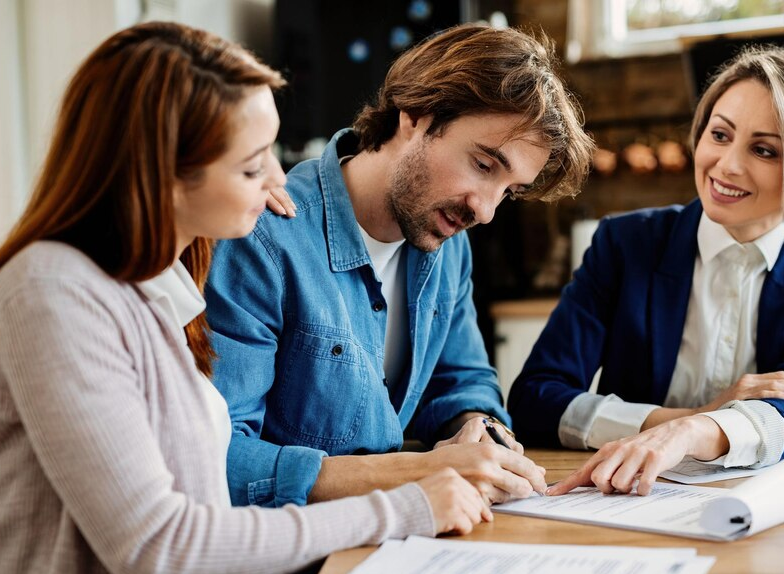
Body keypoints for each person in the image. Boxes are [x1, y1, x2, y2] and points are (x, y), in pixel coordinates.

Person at [0, 22, 490, 574]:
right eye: (253, 162)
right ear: (163, 170)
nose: (278, 179)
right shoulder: (51, 294)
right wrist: (401, 508)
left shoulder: (158, 283)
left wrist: (240, 192)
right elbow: (159, 549)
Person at [205, 24, 594, 511]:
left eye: (508, 192)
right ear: (415, 115)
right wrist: (415, 471)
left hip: (400, 539)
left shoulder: (447, 242)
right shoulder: (263, 238)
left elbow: (462, 381)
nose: (486, 210)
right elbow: (219, 461)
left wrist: (478, 428)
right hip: (295, 567)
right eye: (483, 165)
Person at [509, 45, 784, 497]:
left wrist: (693, 433)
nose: (726, 165)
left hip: (754, 510)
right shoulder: (625, 244)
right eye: (720, 135)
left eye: (763, 150)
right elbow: (536, 400)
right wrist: (684, 419)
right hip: (621, 495)